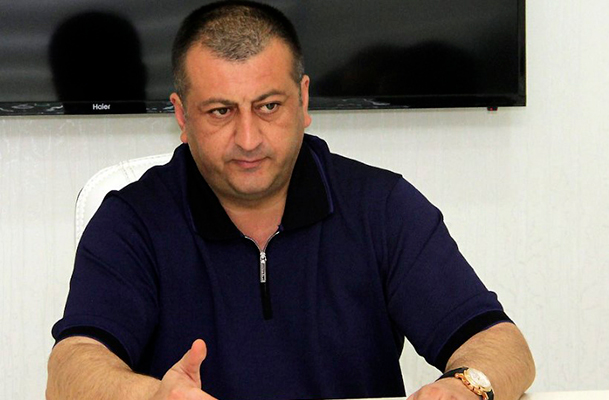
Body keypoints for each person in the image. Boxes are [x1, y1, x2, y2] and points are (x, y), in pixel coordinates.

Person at [46, 1, 535, 400]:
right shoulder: (131, 219)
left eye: (269, 106)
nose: (248, 139)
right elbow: (72, 369)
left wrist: (468, 387)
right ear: (182, 115)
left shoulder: (381, 206)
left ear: (303, 101)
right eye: (220, 111)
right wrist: (151, 396)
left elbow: (500, 342)